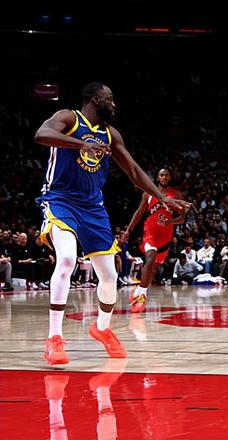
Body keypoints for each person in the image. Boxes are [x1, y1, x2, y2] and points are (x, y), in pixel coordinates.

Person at [34, 82, 189, 365]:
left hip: (93, 207)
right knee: (66, 259)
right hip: (60, 200)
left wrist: (162, 199)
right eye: (110, 99)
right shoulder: (68, 118)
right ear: (96, 99)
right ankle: (54, 338)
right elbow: (41, 134)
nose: (114, 104)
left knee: (109, 275)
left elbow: (134, 171)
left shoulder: (110, 134)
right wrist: (81, 144)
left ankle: (102, 329)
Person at [123, 168, 187, 313]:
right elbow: (139, 212)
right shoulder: (148, 193)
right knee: (150, 258)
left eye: (166, 175)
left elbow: (182, 218)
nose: (164, 177)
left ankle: (138, 292)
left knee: (153, 270)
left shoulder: (177, 194)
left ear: (170, 178)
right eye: (161, 175)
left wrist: (170, 222)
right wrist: (128, 230)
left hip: (165, 236)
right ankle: (141, 297)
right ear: (157, 178)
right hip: (150, 232)